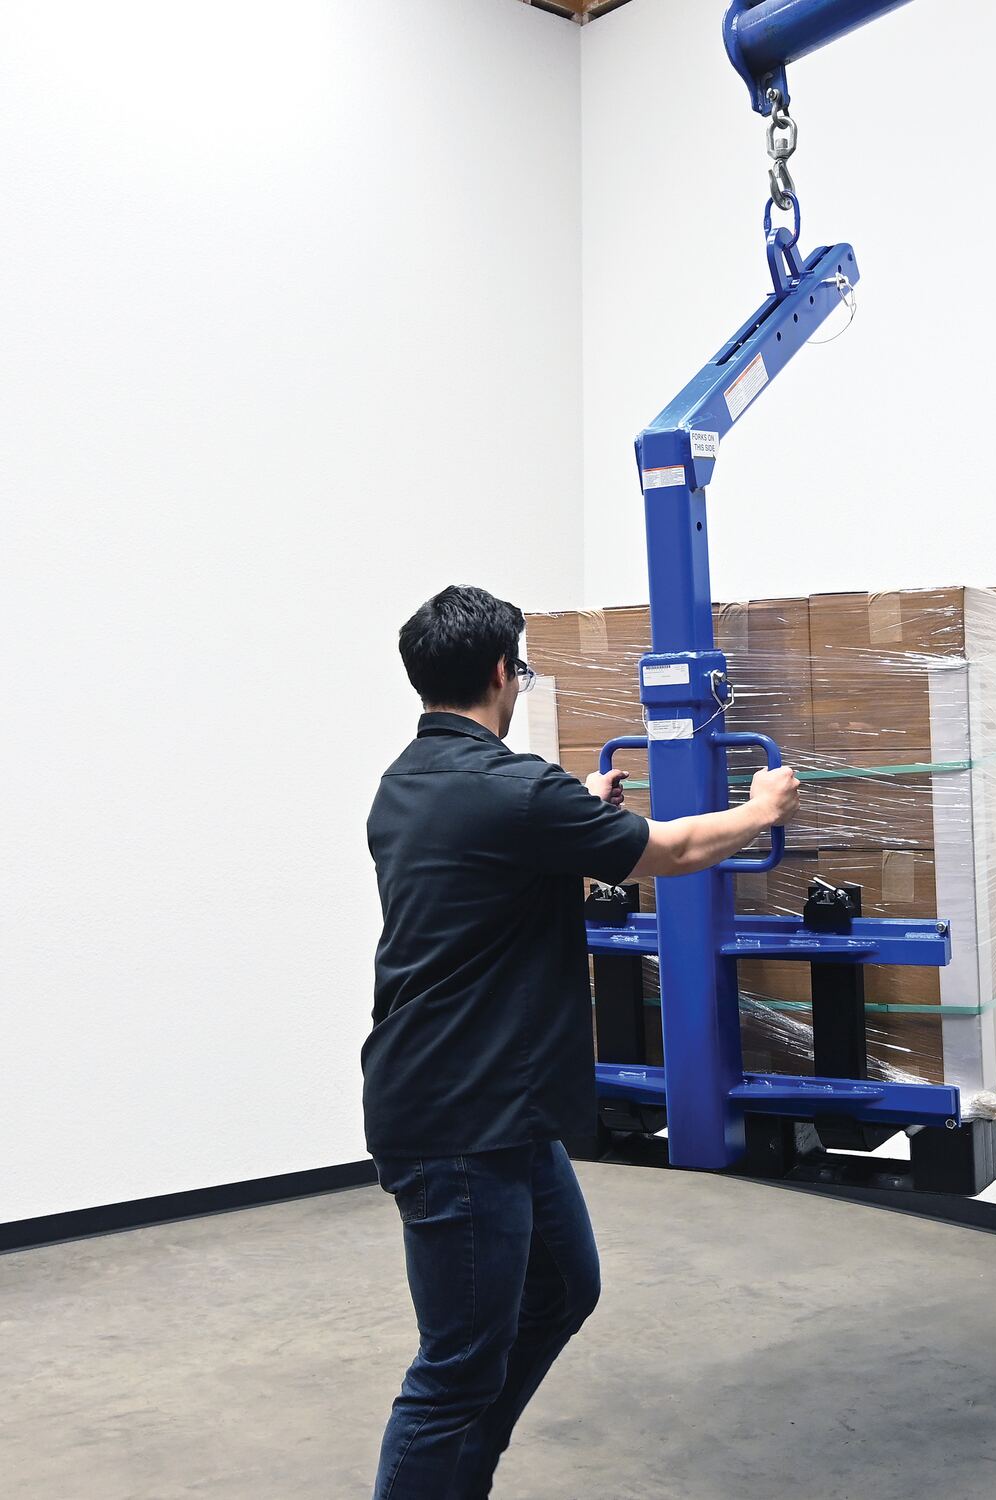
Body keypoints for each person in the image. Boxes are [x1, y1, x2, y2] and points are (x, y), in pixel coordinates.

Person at [362, 584, 799, 1498]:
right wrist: (761, 809)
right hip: (459, 1116)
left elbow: (492, 867)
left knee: (563, 1288)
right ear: (501, 672)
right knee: (454, 1369)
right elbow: (674, 851)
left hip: (489, 1101)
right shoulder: (518, 793)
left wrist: (582, 811)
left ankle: (458, 1480)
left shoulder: (407, 783)